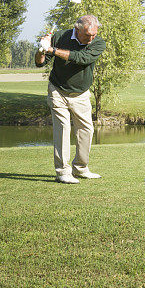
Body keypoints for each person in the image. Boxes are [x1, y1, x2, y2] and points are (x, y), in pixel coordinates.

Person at [36, 14, 106, 184]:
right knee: (63, 129)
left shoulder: (98, 43)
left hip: (81, 93)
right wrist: (41, 50)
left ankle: (81, 168)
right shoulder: (60, 36)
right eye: (88, 34)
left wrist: (52, 49)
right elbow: (40, 63)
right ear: (77, 30)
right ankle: (62, 172)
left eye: (94, 34)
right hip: (58, 90)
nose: (91, 38)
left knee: (86, 130)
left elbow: (82, 59)